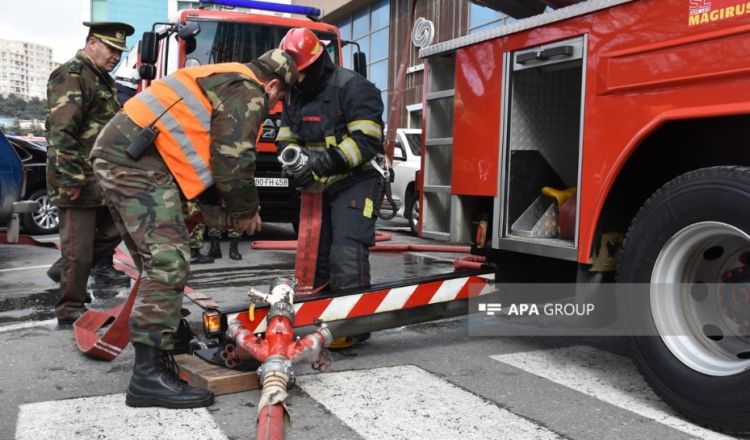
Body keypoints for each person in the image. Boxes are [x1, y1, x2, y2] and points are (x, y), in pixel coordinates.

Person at [90, 49, 298, 409]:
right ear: (273, 84)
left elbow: (202, 154)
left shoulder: (223, 75)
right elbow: (233, 158)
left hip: (126, 154)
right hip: (135, 160)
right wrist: (246, 211)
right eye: (280, 98)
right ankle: (147, 378)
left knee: (155, 261)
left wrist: (215, 209)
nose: (276, 106)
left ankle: (167, 342)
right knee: (168, 261)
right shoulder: (249, 89)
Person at [277, 28, 385, 291]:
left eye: (301, 72)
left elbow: (367, 140)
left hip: (357, 181)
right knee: (315, 258)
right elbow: (286, 138)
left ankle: (354, 327)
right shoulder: (294, 95)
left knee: (345, 252)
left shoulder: (354, 87)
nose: (298, 79)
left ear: (317, 65)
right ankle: (321, 321)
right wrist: (293, 165)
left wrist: (318, 164)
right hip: (320, 184)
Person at [45, 21, 134, 325]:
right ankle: (70, 308)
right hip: (77, 179)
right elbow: (61, 133)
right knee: (79, 249)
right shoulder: (72, 76)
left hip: (102, 179)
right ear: (92, 42)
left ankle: (64, 270)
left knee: (116, 230)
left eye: (120, 51)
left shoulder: (101, 79)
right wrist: (70, 178)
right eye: (111, 48)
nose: (115, 56)